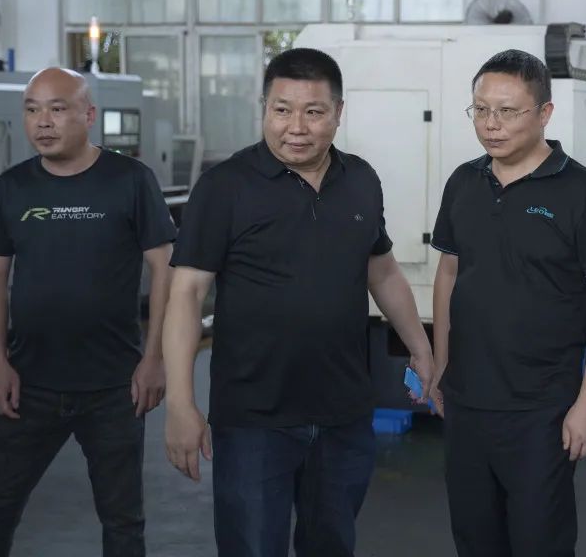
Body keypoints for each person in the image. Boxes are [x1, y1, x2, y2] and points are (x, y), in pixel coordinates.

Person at [163, 47, 433, 557]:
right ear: (264, 108)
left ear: (338, 113)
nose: (296, 127)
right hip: (254, 418)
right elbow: (187, 293)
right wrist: (180, 403)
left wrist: (420, 346)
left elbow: (382, 270)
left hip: (344, 413)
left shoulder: (360, 179)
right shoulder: (225, 187)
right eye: (282, 110)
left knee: (332, 544)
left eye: (314, 112)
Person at [428, 49, 586, 557]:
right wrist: (442, 363)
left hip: (543, 408)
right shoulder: (463, 182)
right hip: (467, 401)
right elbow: (449, 272)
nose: (491, 124)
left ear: (544, 113)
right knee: (475, 537)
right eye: (480, 110)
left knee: (540, 540)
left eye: (508, 111)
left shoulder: (584, 192)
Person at [0, 68, 174, 557]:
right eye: (32, 110)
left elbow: (165, 269)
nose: (42, 122)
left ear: (89, 115)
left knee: (123, 523)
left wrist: (155, 359)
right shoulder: (10, 189)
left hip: (115, 387)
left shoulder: (131, 181)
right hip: (29, 384)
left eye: (57, 108)